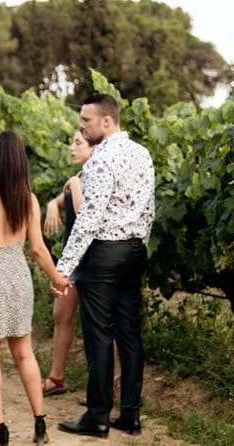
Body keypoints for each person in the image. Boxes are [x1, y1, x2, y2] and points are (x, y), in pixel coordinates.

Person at [55, 94, 156, 438]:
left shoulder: (101, 159)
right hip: (135, 251)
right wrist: (138, 244)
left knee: (99, 336)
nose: (82, 126)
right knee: (129, 335)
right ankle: (130, 416)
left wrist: (63, 269)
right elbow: (148, 209)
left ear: (107, 121)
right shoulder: (142, 153)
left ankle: (97, 417)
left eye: (87, 120)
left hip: (104, 254)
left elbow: (89, 219)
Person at [0, 131, 69, 446]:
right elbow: (38, 250)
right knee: (24, 352)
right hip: (18, 278)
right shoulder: (28, 199)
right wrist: (57, 279)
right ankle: (40, 423)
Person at [41, 131, 94, 397]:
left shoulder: (93, 178)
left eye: (78, 143)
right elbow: (62, 201)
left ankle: (107, 386)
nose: (72, 148)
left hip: (94, 261)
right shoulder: (79, 178)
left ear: (94, 148)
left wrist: (73, 183)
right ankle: (57, 377)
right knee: (61, 315)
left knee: (99, 324)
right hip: (72, 261)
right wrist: (53, 205)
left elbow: (85, 215)